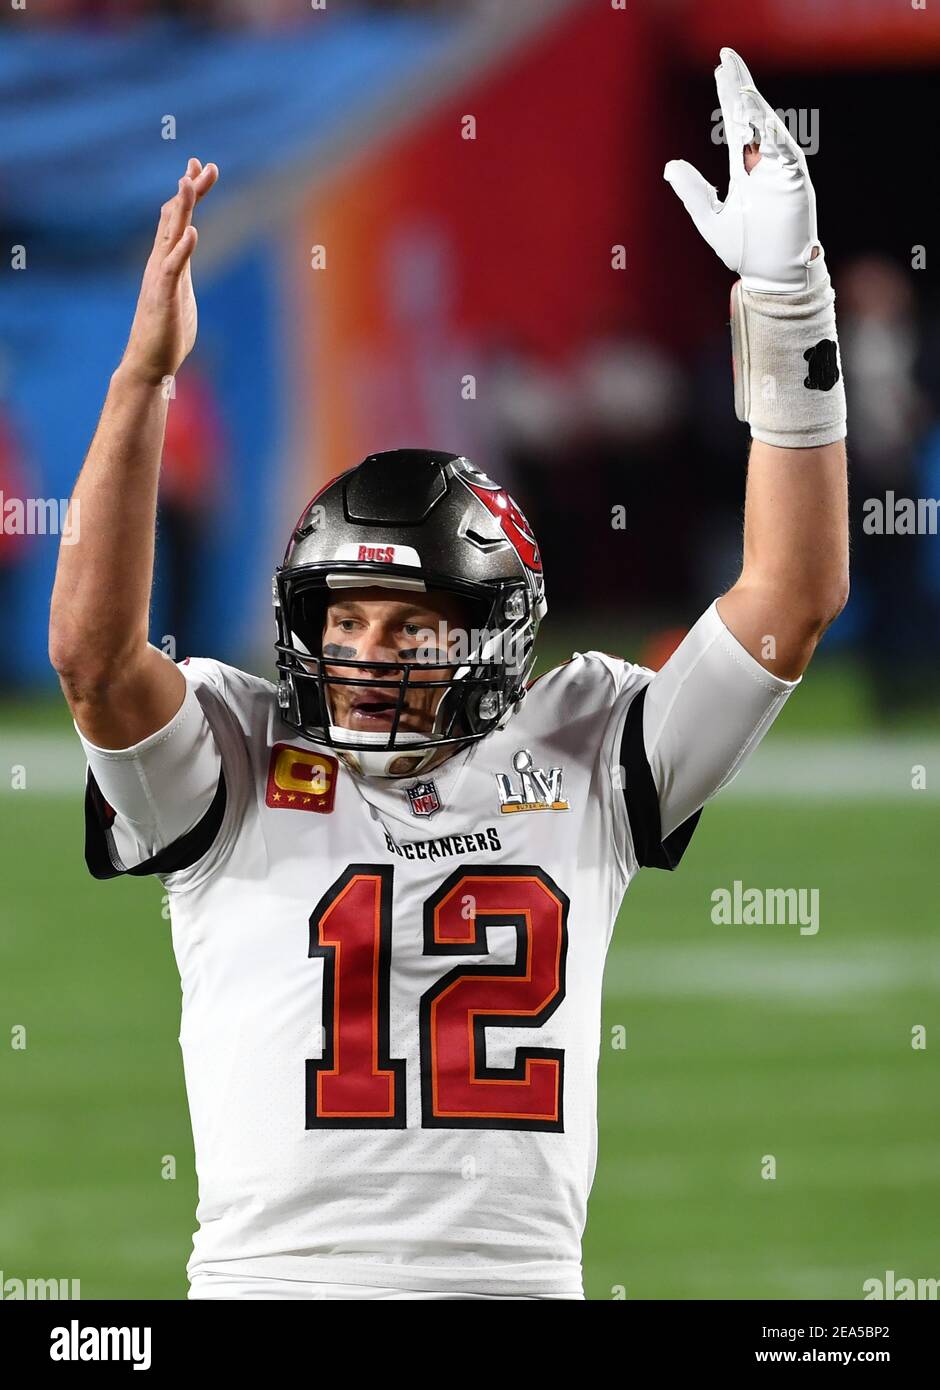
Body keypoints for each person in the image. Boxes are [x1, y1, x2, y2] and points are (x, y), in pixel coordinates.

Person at [48, 49, 848, 1300]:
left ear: (492, 633)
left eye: (410, 623)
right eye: (345, 617)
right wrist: (142, 381)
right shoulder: (238, 750)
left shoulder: (584, 743)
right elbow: (96, 666)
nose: (368, 650)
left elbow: (787, 604)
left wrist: (790, 298)